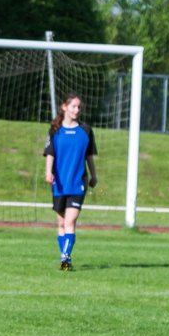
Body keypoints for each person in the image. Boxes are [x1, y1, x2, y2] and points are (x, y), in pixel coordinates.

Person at [42, 94, 96, 271]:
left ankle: (65, 258)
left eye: (79, 107)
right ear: (64, 107)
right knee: (61, 223)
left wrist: (93, 175)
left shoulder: (86, 130)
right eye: (73, 106)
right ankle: (64, 257)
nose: (76, 110)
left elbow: (89, 156)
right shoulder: (55, 130)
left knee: (70, 222)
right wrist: (48, 172)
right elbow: (50, 153)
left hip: (78, 183)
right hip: (60, 183)